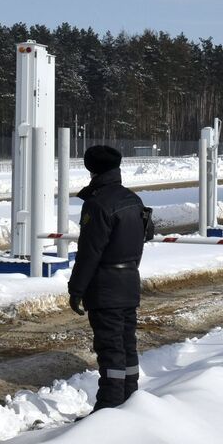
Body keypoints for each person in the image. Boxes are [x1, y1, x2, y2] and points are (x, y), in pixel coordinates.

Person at [68, 144, 151, 410]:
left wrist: (76, 289)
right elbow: (145, 234)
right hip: (129, 283)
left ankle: (109, 409)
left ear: (90, 168)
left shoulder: (98, 204)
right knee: (127, 346)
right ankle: (130, 401)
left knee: (110, 349)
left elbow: (89, 253)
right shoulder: (133, 200)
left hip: (105, 289)